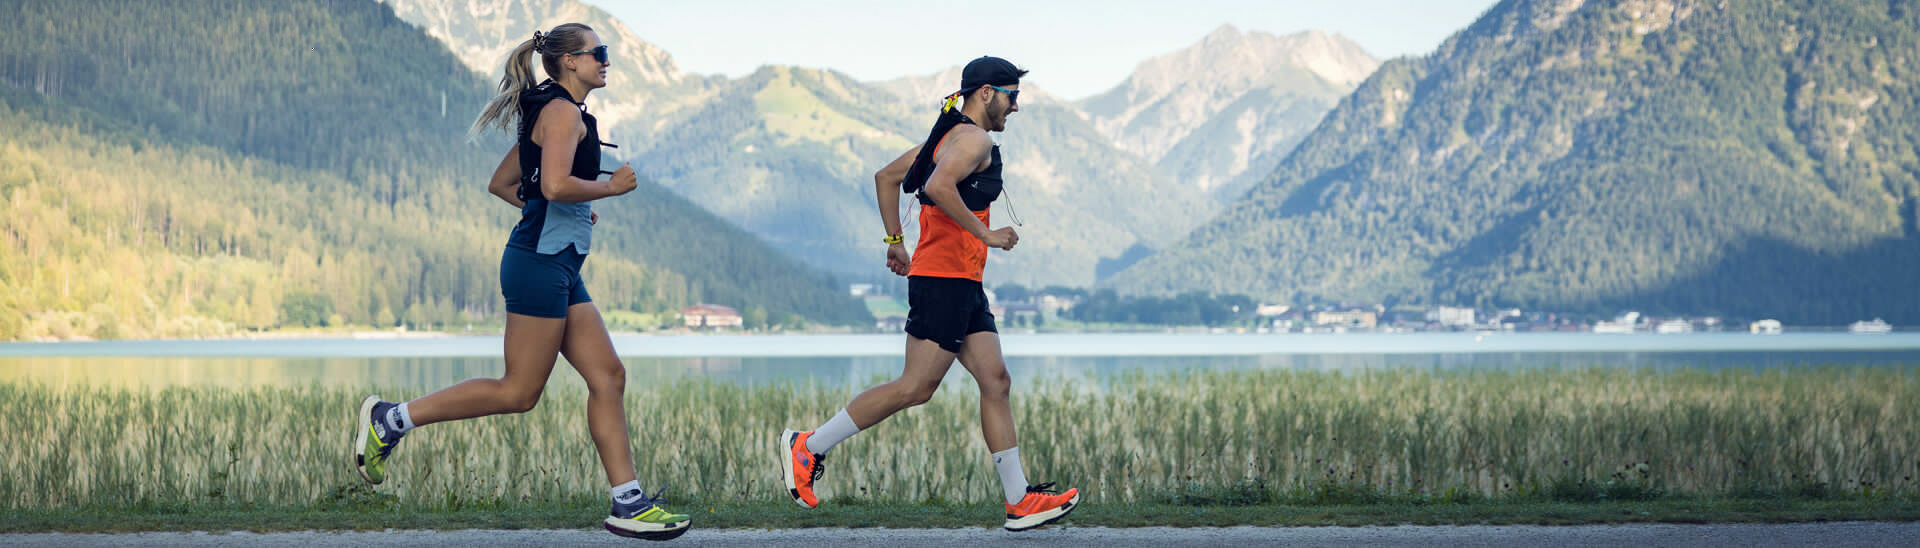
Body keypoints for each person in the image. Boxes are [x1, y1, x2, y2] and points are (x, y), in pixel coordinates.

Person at [353, 23, 689, 541]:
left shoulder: (559, 112)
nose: (606, 61)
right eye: (598, 53)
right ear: (570, 62)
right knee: (519, 391)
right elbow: (553, 185)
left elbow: (507, 184)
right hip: (538, 263)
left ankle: (629, 504)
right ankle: (389, 420)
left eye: (606, 53)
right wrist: (607, 189)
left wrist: (572, 214)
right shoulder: (558, 113)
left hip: (557, 260)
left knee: (609, 376)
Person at [779, 56, 1079, 532]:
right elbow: (937, 186)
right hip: (944, 281)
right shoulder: (973, 139)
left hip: (961, 282)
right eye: (1012, 95)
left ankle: (1019, 500)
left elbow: (886, 177)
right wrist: (987, 236)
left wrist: (896, 242)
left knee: (996, 381)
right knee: (915, 387)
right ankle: (808, 446)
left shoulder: (945, 137)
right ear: (986, 94)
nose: (1016, 107)